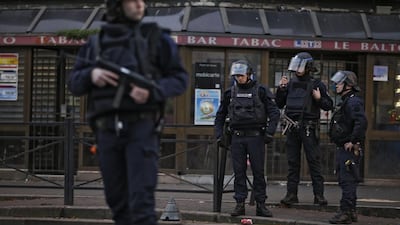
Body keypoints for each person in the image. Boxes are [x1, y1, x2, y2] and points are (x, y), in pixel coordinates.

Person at [67, 0, 188, 224]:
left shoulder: (156, 39)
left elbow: (180, 79)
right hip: (107, 131)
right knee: (117, 201)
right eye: (132, 0)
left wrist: (152, 92)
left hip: (141, 128)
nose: (139, 4)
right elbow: (74, 82)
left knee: (141, 202)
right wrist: (91, 75)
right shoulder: (97, 42)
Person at [214, 60, 280, 217]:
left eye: (241, 75)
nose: (238, 78)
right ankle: (239, 204)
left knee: (258, 172)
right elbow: (220, 115)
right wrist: (219, 135)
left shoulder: (261, 91)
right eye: (236, 75)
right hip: (237, 138)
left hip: (256, 137)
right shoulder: (230, 93)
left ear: (249, 74)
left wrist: (270, 132)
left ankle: (261, 205)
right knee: (239, 172)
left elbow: (274, 112)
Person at [275, 52, 333, 206]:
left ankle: (319, 195)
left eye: (300, 65)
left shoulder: (316, 84)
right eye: (296, 65)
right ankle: (291, 194)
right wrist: (281, 89)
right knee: (293, 162)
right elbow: (279, 104)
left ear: (308, 67)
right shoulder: (290, 84)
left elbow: (329, 105)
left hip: (308, 127)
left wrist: (319, 99)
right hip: (292, 128)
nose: (297, 69)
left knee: (313, 161)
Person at [328, 71, 367, 224]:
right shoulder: (347, 101)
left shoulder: (352, 102)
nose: (336, 85)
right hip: (344, 148)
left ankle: (345, 212)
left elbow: (361, 122)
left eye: (340, 82)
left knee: (347, 181)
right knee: (346, 180)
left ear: (348, 85)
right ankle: (351, 212)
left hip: (349, 150)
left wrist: (353, 140)